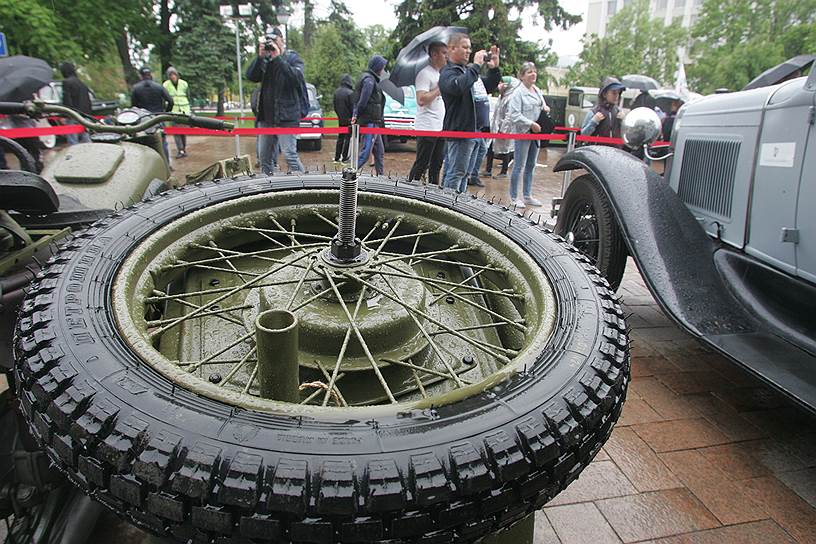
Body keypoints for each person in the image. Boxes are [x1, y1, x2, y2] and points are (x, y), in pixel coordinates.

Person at [439, 33, 501, 193]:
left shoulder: (467, 72)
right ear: (452, 48)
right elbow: (458, 87)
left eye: (469, 48)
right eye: (465, 47)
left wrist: (494, 69)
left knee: (464, 173)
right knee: (456, 172)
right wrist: (476, 66)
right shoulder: (449, 72)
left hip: (475, 131)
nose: (468, 51)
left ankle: (458, 205)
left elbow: (487, 86)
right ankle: (447, 207)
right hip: (460, 131)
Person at [246, 27, 307, 174]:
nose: (271, 43)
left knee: (290, 156)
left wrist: (278, 58)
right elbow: (250, 76)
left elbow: (295, 79)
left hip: (287, 117)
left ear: (281, 40)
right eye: (268, 39)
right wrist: (260, 57)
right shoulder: (265, 60)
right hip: (266, 118)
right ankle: (269, 188)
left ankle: (306, 186)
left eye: (274, 39)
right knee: (264, 158)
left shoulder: (293, 58)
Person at [507, 62, 549, 209]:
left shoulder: (537, 90)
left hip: (536, 133)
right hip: (523, 133)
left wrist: (545, 109)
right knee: (519, 165)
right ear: (522, 76)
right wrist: (530, 123)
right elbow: (514, 115)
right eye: (529, 72)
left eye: (534, 71)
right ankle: (513, 196)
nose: (533, 74)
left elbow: (542, 105)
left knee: (531, 165)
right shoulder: (518, 93)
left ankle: (527, 195)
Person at [408, 41, 447, 185]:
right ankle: (409, 190)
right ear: (434, 54)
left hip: (440, 126)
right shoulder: (425, 74)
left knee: (437, 165)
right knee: (422, 163)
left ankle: (432, 195)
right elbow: (421, 99)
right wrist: (438, 89)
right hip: (427, 126)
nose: (446, 56)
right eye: (443, 53)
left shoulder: (440, 74)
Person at [351, 55, 387, 175]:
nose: (383, 70)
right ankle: (348, 175)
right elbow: (362, 101)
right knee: (365, 153)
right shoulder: (369, 80)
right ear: (378, 67)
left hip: (374, 121)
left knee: (379, 152)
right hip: (369, 121)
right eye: (383, 67)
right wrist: (356, 114)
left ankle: (380, 177)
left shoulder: (371, 79)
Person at [131, 67, 174, 163]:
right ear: (150, 74)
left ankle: (147, 164)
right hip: (158, 118)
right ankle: (166, 164)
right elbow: (170, 101)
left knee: (144, 143)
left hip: (143, 120)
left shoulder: (136, 88)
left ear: (141, 75)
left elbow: (134, 107)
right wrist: (165, 113)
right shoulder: (159, 87)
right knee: (162, 142)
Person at [484, 76, 520, 178]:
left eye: (503, 83)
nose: (500, 85)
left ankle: (504, 172)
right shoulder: (502, 96)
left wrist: (504, 130)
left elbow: (509, 116)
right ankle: (488, 170)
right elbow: (497, 113)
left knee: (506, 149)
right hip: (496, 127)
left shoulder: (512, 98)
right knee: (491, 147)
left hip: (506, 129)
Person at [581, 77, 626, 143]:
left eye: (618, 93)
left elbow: (628, 136)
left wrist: (624, 122)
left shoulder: (619, 112)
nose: (617, 96)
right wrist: (593, 122)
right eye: (614, 93)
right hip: (597, 151)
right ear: (604, 94)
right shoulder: (593, 112)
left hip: (616, 151)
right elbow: (583, 136)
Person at [59, 62, 92, 145]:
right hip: (85, 114)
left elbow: (67, 100)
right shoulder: (82, 83)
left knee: (72, 139)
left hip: (73, 114)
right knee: (86, 137)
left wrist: (65, 115)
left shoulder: (66, 82)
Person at [163, 67, 191, 158]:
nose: (173, 76)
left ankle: (183, 149)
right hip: (173, 111)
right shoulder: (166, 85)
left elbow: (188, 96)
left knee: (183, 131)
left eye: (174, 74)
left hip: (184, 110)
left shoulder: (184, 84)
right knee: (176, 132)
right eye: (171, 75)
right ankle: (180, 150)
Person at [333, 74, 354, 163]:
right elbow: (352, 107)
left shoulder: (336, 92)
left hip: (340, 118)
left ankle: (337, 156)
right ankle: (344, 156)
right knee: (347, 138)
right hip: (349, 119)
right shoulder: (350, 93)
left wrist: (339, 115)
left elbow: (334, 106)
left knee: (340, 137)